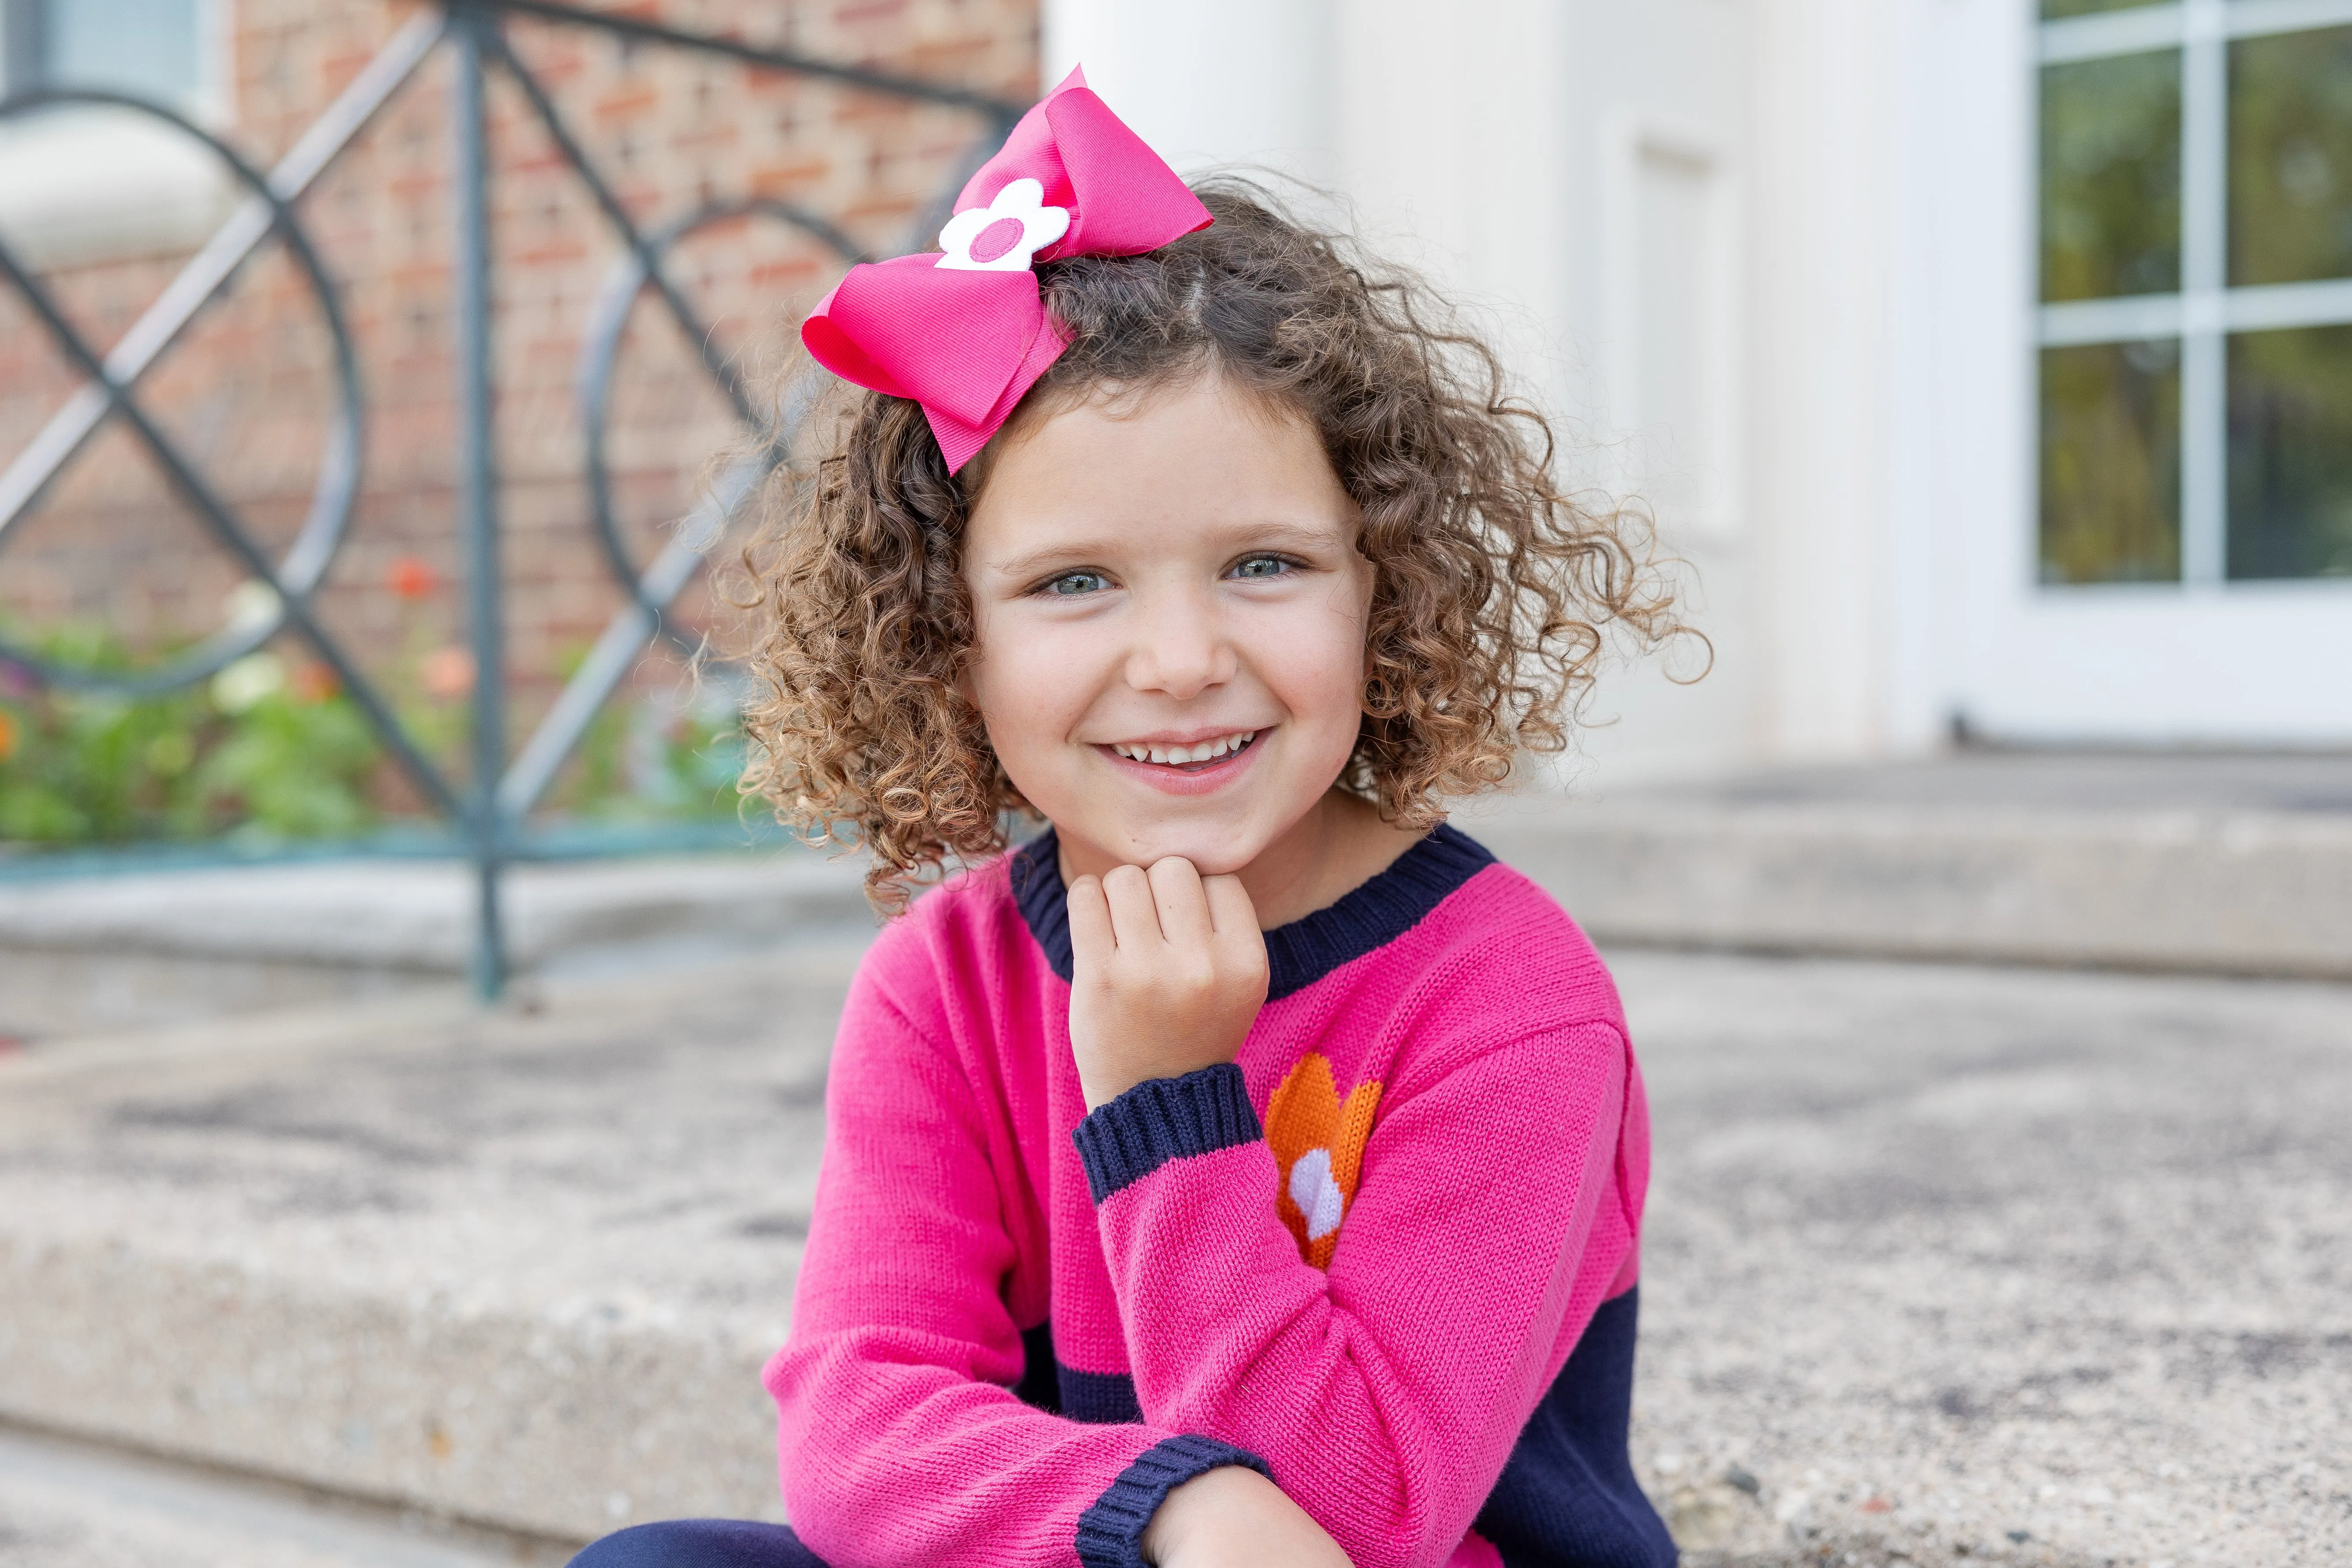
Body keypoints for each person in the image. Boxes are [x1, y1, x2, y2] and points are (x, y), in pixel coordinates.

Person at [575, 67, 1688, 1568]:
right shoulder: (946, 983)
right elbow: (859, 1428)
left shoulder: (1503, 1005)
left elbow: (1348, 1522)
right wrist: (1165, 1506)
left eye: (1266, 566)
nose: (1177, 663)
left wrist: (1165, 1098)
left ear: (1384, 582)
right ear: (945, 640)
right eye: (1072, 583)